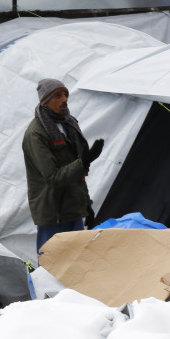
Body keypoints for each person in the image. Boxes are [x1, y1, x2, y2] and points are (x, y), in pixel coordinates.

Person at [22, 78, 104, 253]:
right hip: (54, 215)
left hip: (73, 209)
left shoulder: (68, 124)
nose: (64, 99)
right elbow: (53, 178)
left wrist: (86, 207)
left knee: (76, 264)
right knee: (51, 267)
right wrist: (83, 162)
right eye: (57, 95)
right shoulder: (36, 134)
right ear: (45, 101)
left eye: (65, 94)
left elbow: (77, 176)